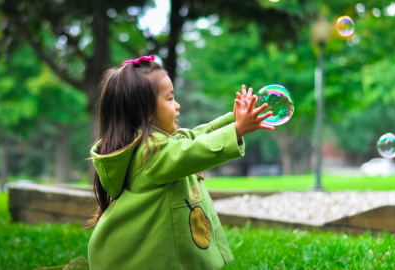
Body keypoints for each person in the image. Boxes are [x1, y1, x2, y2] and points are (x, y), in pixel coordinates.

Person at [87, 55, 274, 270]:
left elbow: (193, 137)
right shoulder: (151, 153)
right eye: (169, 99)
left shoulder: (156, 145)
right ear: (146, 113)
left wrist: (233, 119)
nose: (177, 105)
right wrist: (237, 130)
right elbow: (192, 150)